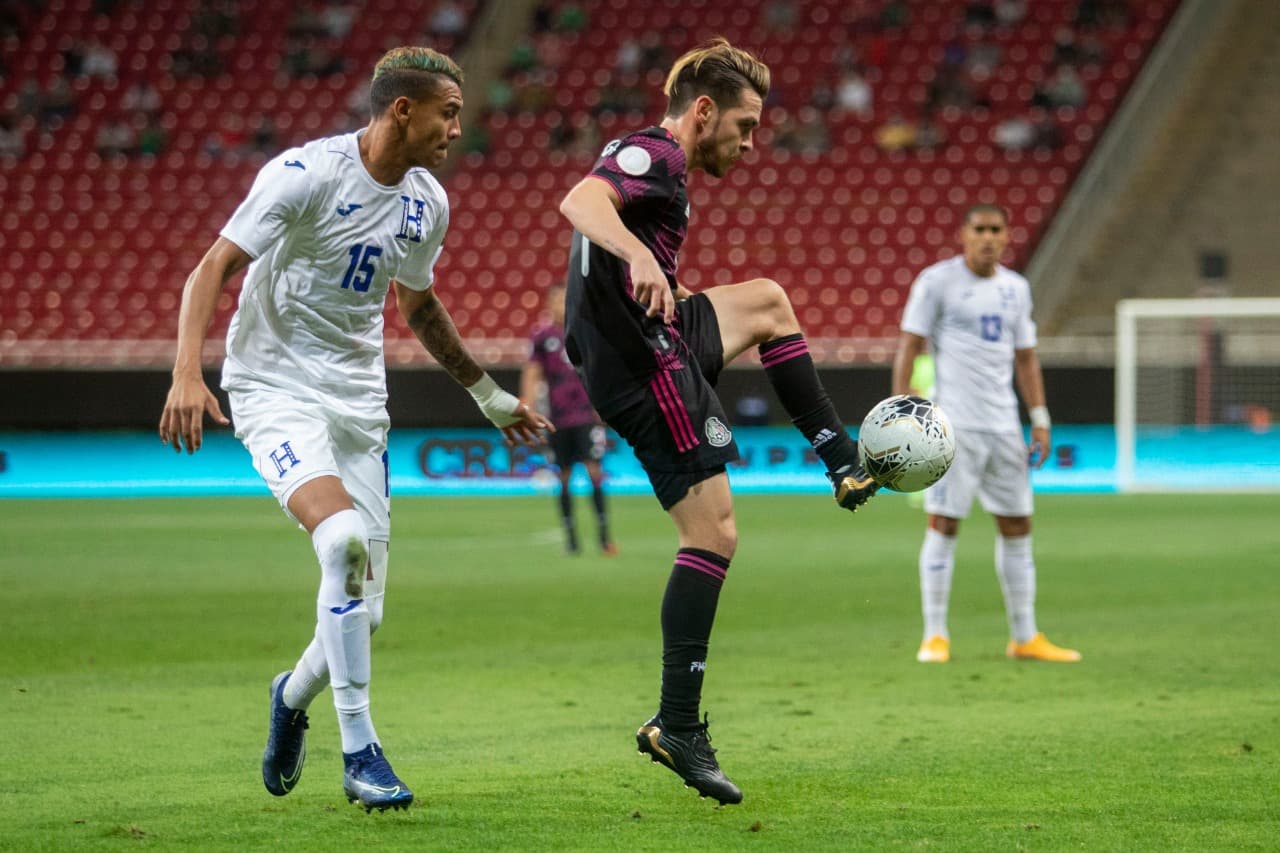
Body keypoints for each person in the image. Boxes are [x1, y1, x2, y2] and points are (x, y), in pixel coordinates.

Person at [158, 46, 550, 812]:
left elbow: (418, 305)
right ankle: (362, 752)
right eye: (447, 113)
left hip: (358, 405)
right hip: (274, 388)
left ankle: (290, 696)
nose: (456, 129)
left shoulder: (428, 202)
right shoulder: (305, 175)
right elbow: (211, 267)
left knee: (362, 613)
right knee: (338, 545)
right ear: (402, 109)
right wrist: (185, 369)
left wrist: (491, 397)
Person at [558, 37, 878, 806]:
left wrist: (652, 270)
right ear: (702, 111)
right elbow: (580, 201)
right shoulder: (655, 155)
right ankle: (677, 725)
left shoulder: (662, 166)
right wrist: (636, 256)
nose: (751, 141)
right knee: (713, 533)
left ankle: (841, 457)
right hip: (644, 364)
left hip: (647, 337)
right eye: (745, 124)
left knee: (767, 300)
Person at [891, 204, 1080, 665]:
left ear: (1007, 235)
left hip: (1004, 427)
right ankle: (935, 635)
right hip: (953, 427)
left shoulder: (1016, 289)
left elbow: (1026, 358)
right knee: (944, 523)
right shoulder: (936, 282)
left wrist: (1040, 417)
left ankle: (1024, 636)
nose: (989, 238)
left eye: (996, 230)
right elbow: (909, 346)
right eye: (980, 229)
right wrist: (900, 412)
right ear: (964, 235)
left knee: (1017, 524)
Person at [520, 284, 616, 556]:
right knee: (562, 476)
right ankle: (571, 539)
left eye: (565, 300)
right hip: (557, 419)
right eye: (556, 301)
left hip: (586, 415)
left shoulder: (586, 330)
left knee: (594, 470)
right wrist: (526, 406)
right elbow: (533, 372)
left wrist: (606, 405)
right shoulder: (542, 336)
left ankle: (604, 537)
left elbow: (601, 369)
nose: (561, 305)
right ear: (549, 305)